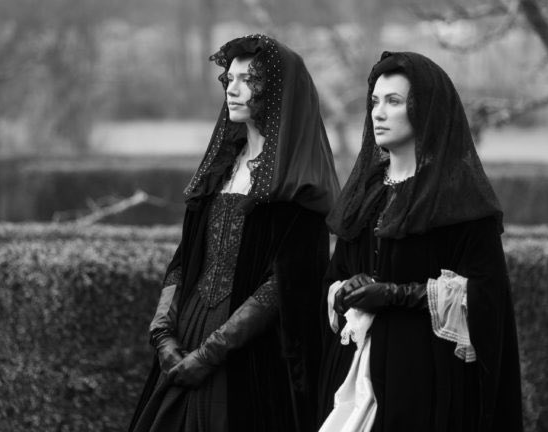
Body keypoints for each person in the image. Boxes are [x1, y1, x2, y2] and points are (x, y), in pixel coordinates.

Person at [129, 34, 340, 432]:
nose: (233, 88)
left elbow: (284, 284)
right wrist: (163, 335)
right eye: (230, 78)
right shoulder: (220, 171)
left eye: (249, 80)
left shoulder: (297, 185)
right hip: (186, 333)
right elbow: (184, 260)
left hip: (251, 355)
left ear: (278, 92)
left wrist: (210, 353)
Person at [318, 51, 523, 432]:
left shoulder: (458, 199)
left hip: (425, 379)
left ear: (425, 109)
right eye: (375, 102)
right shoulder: (367, 192)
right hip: (355, 370)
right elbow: (335, 274)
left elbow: (484, 294)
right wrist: (346, 288)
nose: (378, 113)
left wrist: (395, 295)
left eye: (393, 101)